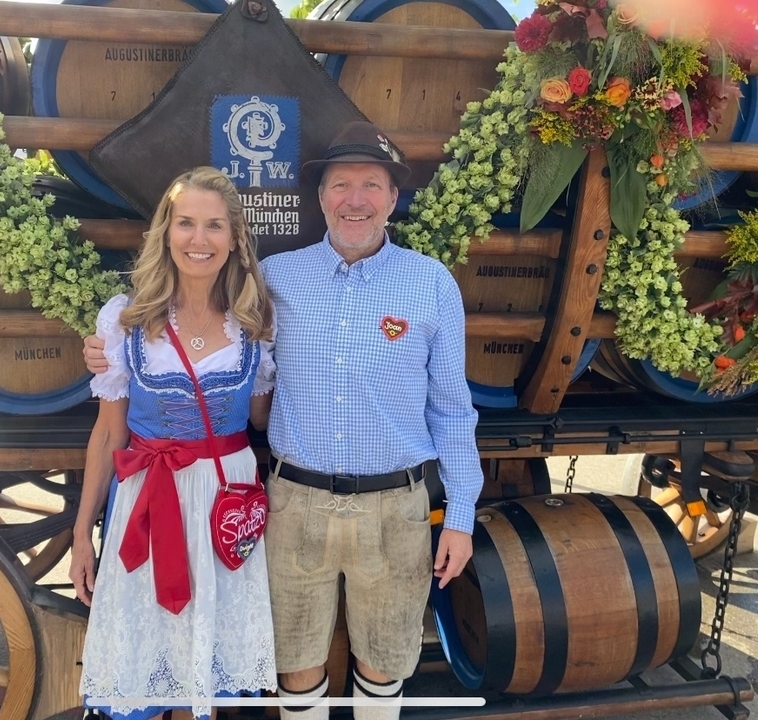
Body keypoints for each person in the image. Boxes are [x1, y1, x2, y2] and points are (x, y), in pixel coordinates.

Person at [83, 122, 484, 720]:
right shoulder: (275, 282)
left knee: (385, 664)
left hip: (395, 508)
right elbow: (232, 367)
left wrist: (460, 516)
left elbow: (453, 411)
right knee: (295, 667)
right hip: (294, 503)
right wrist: (107, 351)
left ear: (393, 198)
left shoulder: (430, 285)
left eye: (371, 185)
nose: (355, 199)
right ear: (320, 197)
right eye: (340, 184)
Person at [70, 166, 278, 720]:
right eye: (185, 223)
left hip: (223, 503)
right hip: (146, 496)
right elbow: (110, 433)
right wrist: (81, 533)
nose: (198, 239)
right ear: (166, 232)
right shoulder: (125, 320)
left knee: (202, 664)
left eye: (213, 226)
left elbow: (261, 418)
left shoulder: (255, 322)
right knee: (146, 658)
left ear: (234, 238)